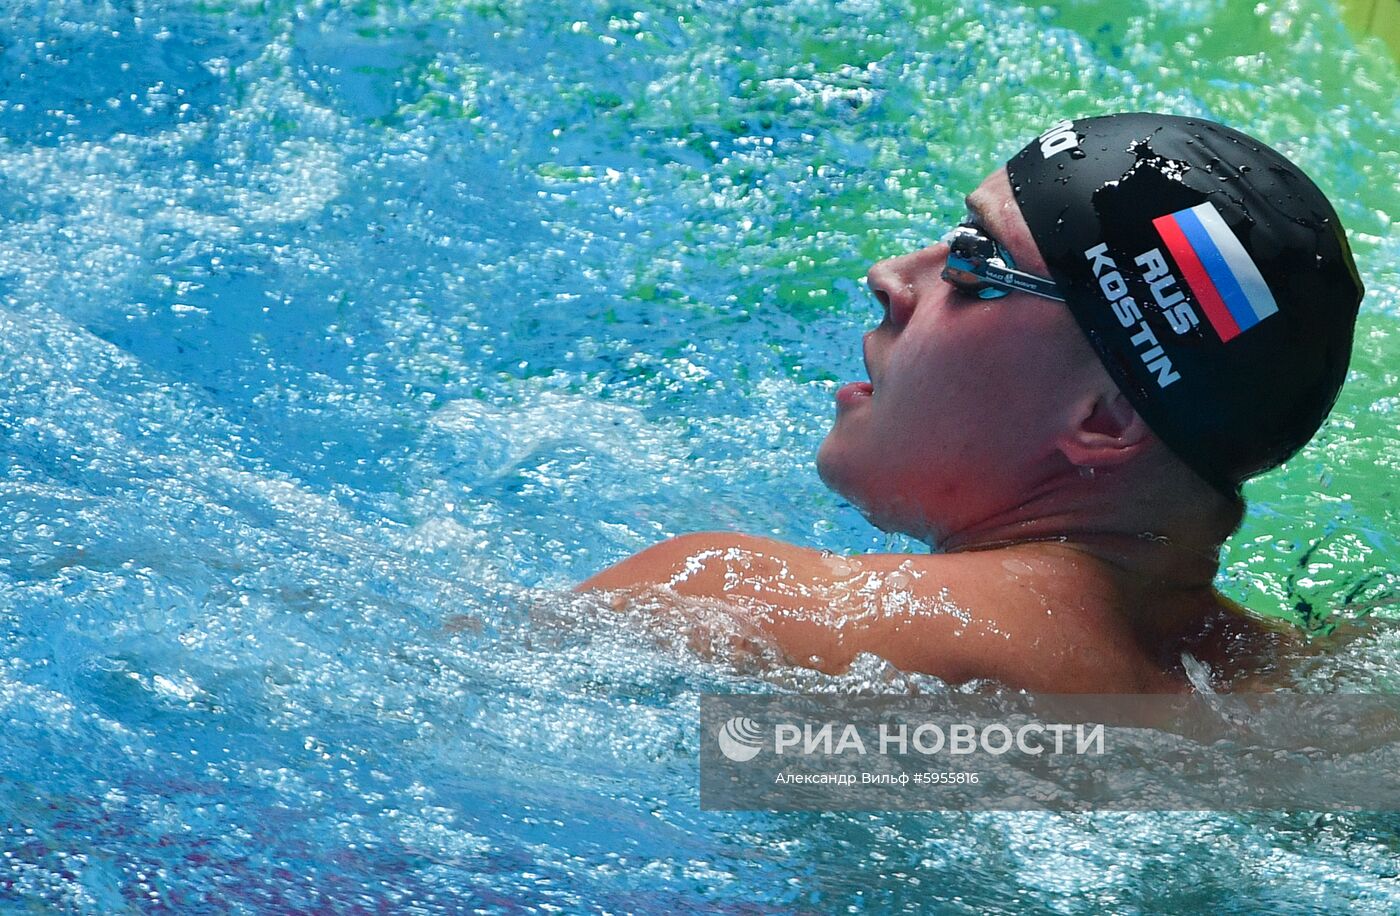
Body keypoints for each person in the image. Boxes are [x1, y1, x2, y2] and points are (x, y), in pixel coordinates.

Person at [575, 113, 1365, 693]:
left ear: (1106, 420)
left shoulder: (732, 609)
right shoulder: (1332, 700)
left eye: (974, 266)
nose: (890, 276)